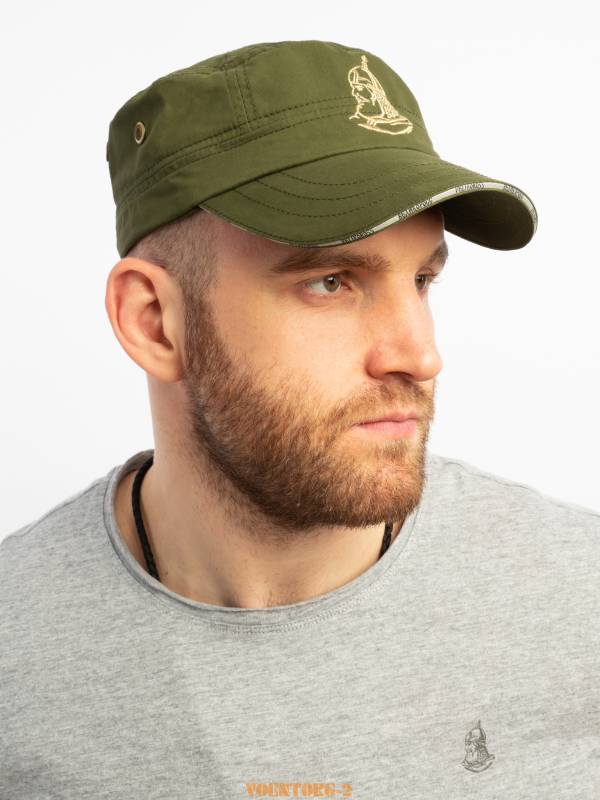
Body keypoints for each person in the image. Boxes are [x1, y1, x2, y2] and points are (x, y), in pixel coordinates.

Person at [1, 39, 598, 799]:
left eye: (422, 280)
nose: (420, 355)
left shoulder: (579, 603)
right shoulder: (16, 654)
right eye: (330, 282)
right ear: (154, 322)